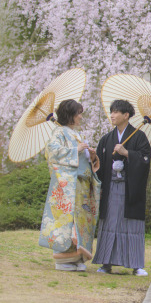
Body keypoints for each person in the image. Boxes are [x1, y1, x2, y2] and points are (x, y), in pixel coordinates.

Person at [39, 99, 101, 271]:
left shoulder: (75, 134)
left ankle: (77, 258)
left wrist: (92, 157)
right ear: (70, 115)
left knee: (80, 221)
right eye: (78, 113)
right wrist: (76, 150)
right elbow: (53, 153)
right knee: (68, 221)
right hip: (67, 186)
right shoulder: (58, 133)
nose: (81, 117)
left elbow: (83, 160)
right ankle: (63, 260)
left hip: (80, 185)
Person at [92, 99, 151, 275]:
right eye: (111, 112)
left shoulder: (139, 137)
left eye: (116, 112)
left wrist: (127, 153)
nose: (112, 115)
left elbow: (145, 160)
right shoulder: (106, 139)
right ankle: (106, 263)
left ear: (126, 115)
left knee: (131, 226)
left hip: (130, 190)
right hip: (110, 189)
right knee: (109, 223)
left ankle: (136, 265)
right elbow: (98, 166)